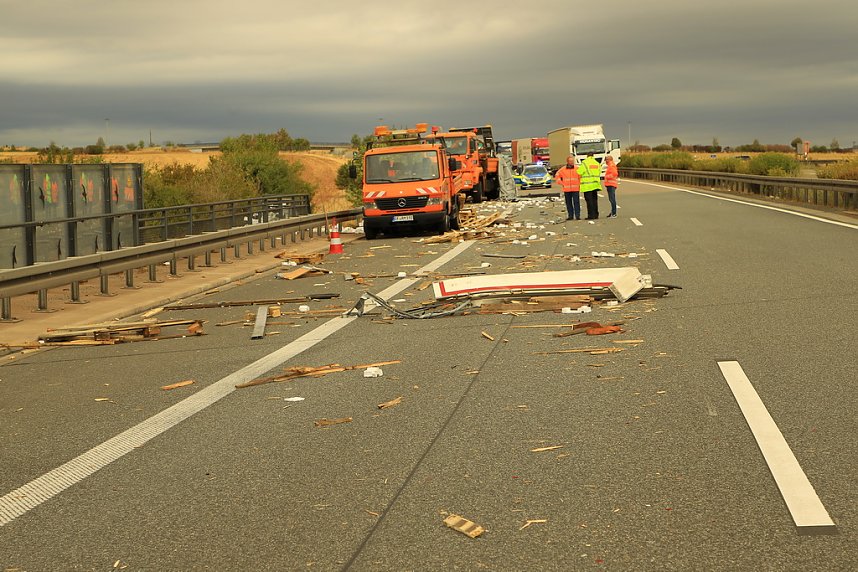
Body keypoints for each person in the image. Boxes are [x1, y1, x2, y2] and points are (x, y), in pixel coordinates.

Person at [554, 155, 581, 220]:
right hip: (567, 189)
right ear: (567, 162)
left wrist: (580, 183)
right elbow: (557, 176)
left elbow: (581, 176)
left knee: (576, 202)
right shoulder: (563, 169)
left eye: (572, 161)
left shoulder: (577, 169)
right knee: (568, 203)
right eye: (570, 161)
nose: (572, 162)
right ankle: (570, 216)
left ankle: (577, 216)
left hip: (575, 189)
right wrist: (561, 183)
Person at [578, 153, 601, 219]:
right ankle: (596, 214)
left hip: (587, 185)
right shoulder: (597, 163)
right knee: (594, 200)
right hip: (595, 184)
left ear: (587, 156)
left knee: (589, 201)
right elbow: (599, 172)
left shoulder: (585, 163)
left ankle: (591, 215)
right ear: (593, 156)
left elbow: (579, 172)